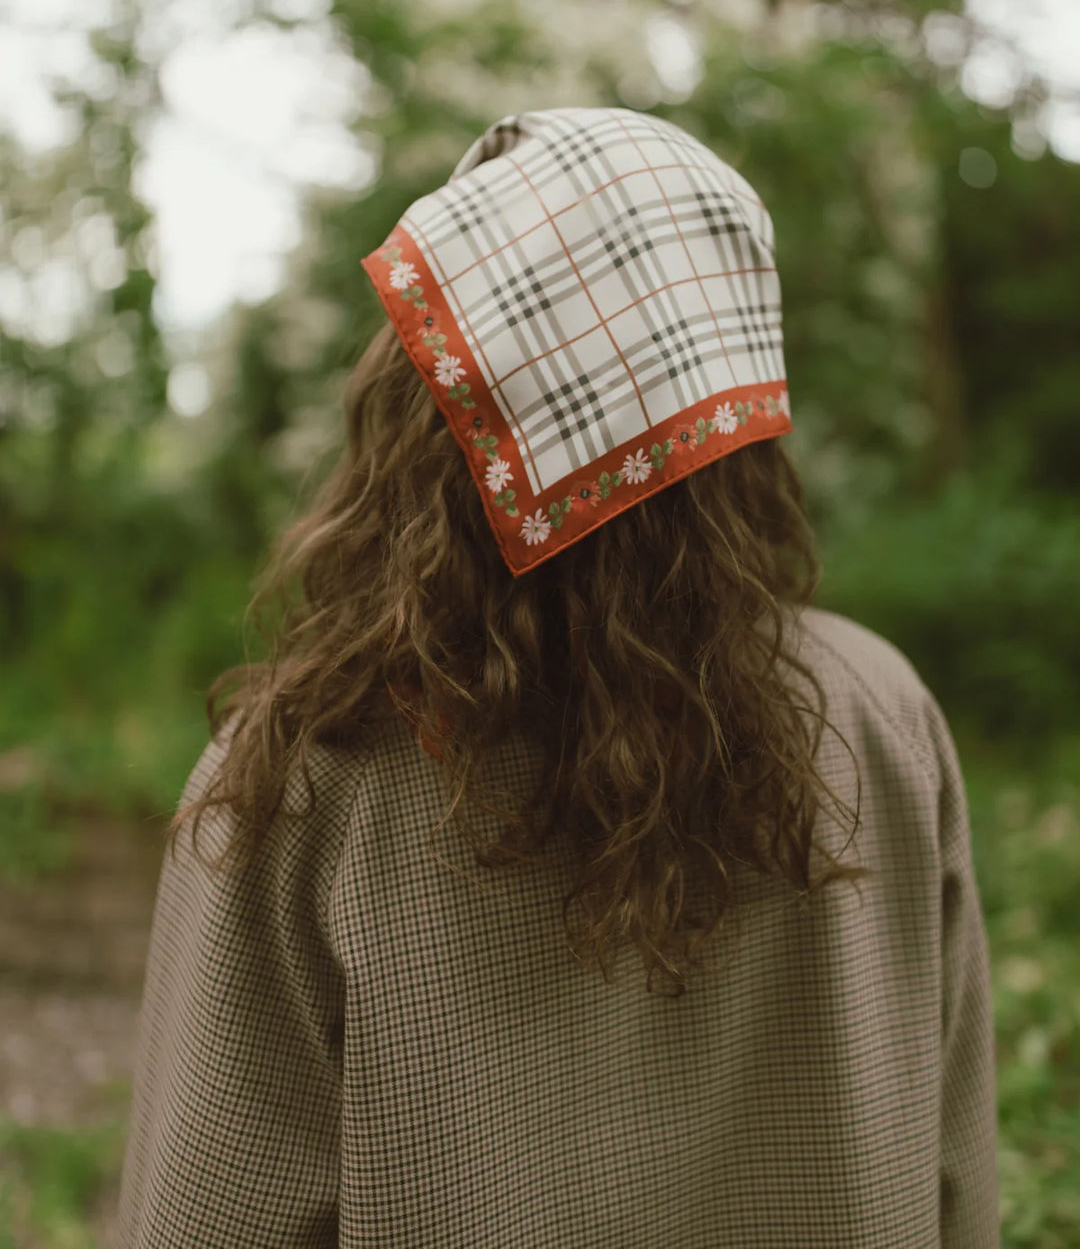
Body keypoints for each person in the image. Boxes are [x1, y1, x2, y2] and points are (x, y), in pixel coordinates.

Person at [114, 106, 999, 1247]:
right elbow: (956, 1182)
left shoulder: (313, 779)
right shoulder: (881, 712)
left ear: (419, 409)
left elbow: (205, 1218)